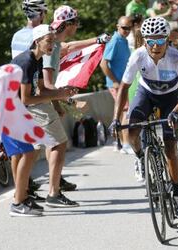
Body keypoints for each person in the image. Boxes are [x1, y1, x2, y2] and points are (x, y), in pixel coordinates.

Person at [109, 17, 178, 219]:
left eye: (160, 41)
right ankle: (139, 158)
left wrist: (177, 110)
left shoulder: (175, 57)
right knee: (131, 132)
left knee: (171, 148)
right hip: (145, 94)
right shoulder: (138, 56)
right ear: (144, 41)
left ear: (167, 40)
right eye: (151, 41)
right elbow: (124, 88)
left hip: (169, 99)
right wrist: (115, 118)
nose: (155, 46)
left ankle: (177, 193)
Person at [40, 5, 110, 207]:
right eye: (76, 23)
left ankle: (52, 182)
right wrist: (70, 102)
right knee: (58, 143)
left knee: (50, 143)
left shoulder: (50, 37)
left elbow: (69, 47)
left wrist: (57, 104)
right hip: (35, 100)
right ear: (68, 24)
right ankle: (52, 193)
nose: (78, 26)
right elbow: (48, 83)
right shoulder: (52, 44)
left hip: (37, 98)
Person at [8, 24, 74, 216]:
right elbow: (27, 98)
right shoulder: (27, 61)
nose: (52, 44)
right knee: (28, 153)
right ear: (37, 41)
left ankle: (22, 198)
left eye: (53, 40)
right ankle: (19, 201)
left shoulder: (36, 59)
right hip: (8, 110)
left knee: (27, 154)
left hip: (16, 110)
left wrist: (61, 94)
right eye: (49, 40)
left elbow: (39, 91)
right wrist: (57, 96)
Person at [100, 16, 133, 154]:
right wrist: (114, 81)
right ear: (117, 26)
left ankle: (118, 143)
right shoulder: (115, 41)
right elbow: (103, 63)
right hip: (118, 84)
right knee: (126, 111)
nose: (126, 31)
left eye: (129, 28)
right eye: (124, 28)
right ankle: (125, 144)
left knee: (120, 113)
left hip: (123, 83)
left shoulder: (123, 40)